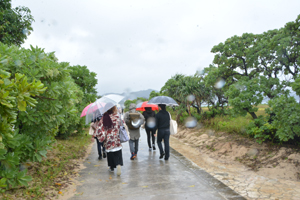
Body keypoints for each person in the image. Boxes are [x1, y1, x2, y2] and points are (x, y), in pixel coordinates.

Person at [94, 103, 124, 175]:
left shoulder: (104, 118)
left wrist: (101, 136)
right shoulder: (117, 116)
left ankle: (112, 167)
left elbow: (99, 129)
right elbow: (122, 124)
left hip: (108, 140)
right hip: (116, 139)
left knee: (110, 154)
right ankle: (118, 164)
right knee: (117, 152)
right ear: (114, 108)